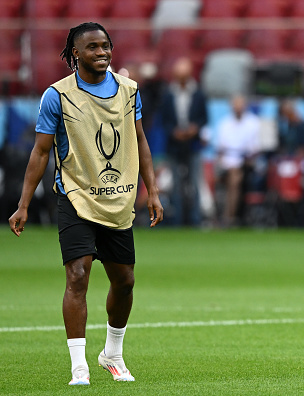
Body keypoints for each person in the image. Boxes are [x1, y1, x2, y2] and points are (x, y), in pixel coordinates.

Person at [8, 22, 164, 386]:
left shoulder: (129, 90)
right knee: (77, 276)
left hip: (119, 199)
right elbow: (41, 150)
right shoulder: (57, 96)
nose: (103, 52)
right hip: (75, 197)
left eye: (106, 46)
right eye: (93, 47)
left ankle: (112, 353)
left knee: (125, 282)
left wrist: (152, 190)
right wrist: (24, 204)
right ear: (75, 53)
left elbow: (139, 140)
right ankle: (79, 365)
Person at [161, 57, 208, 226]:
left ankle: (195, 219)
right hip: (174, 145)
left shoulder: (198, 94)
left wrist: (195, 128)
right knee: (176, 185)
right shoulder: (168, 94)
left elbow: (204, 118)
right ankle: (178, 220)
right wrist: (173, 131)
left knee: (195, 183)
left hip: (193, 144)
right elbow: (163, 120)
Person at [215, 94, 260, 226]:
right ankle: (218, 215)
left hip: (244, 163)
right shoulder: (224, 123)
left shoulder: (253, 123)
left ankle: (228, 217)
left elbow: (255, 148)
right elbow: (220, 148)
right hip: (226, 163)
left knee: (234, 179)